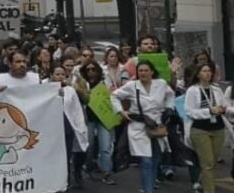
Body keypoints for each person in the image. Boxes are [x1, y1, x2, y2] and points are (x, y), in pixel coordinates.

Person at [112, 60, 175, 193]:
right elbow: (114, 96)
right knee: (146, 160)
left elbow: (170, 95)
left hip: (157, 124)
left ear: (152, 72)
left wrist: (169, 108)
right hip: (138, 125)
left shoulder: (161, 84)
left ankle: (150, 186)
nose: (143, 73)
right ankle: (148, 190)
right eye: (140, 70)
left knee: (156, 158)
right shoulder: (132, 86)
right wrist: (121, 111)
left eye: (146, 70)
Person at [184, 61, 228, 193]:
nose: (208, 73)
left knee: (213, 161)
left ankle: (201, 182)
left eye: (209, 71)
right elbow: (189, 111)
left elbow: (224, 105)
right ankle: (210, 190)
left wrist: (224, 109)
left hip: (218, 128)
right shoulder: (192, 90)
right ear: (198, 74)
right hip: (200, 129)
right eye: (204, 71)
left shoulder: (217, 89)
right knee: (207, 163)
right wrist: (209, 111)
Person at [79, 61, 116, 184]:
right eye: (88, 69)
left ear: (98, 71)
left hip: (103, 119)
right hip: (88, 119)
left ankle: (107, 173)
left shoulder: (105, 82)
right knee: (89, 147)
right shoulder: (82, 84)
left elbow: (112, 97)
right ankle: (89, 168)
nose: (91, 72)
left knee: (105, 147)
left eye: (93, 69)